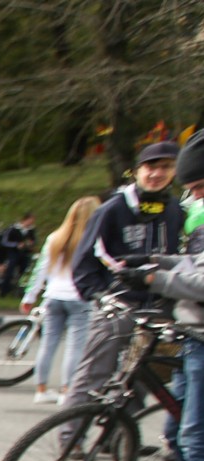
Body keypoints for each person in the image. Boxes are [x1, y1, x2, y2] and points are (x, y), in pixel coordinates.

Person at [124, 135, 204, 461]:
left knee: (195, 439)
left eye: (199, 187)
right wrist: (156, 263)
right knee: (178, 432)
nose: (193, 196)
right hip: (194, 337)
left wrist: (157, 279)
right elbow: (196, 264)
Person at [62, 141, 185, 412]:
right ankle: (70, 434)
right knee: (93, 375)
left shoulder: (175, 210)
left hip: (158, 308)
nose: (157, 174)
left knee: (141, 378)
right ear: (137, 171)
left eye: (165, 167)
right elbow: (84, 260)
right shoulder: (112, 209)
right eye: (151, 167)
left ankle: (123, 433)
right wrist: (99, 295)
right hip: (118, 306)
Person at [21, 196, 102, 402]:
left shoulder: (55, 238)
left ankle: (41, 389)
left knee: (48, 344)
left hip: (53, 296)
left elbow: (40, 270)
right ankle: (67, 390)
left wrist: (30, 296)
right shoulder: (93, 238)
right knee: (75, 347)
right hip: (80, 297)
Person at [0, 213, 38, 297]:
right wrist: (16, 244)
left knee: (24, 272)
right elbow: (5, 242)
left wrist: (31, 243)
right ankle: (4, 291)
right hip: (14, 253)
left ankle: (21, 290)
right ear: (25, 220)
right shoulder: (13, 228)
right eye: (30, 220)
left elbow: (34, 240)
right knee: (10, 271)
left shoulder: (31, 230)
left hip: (25, 253)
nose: (31, 222)